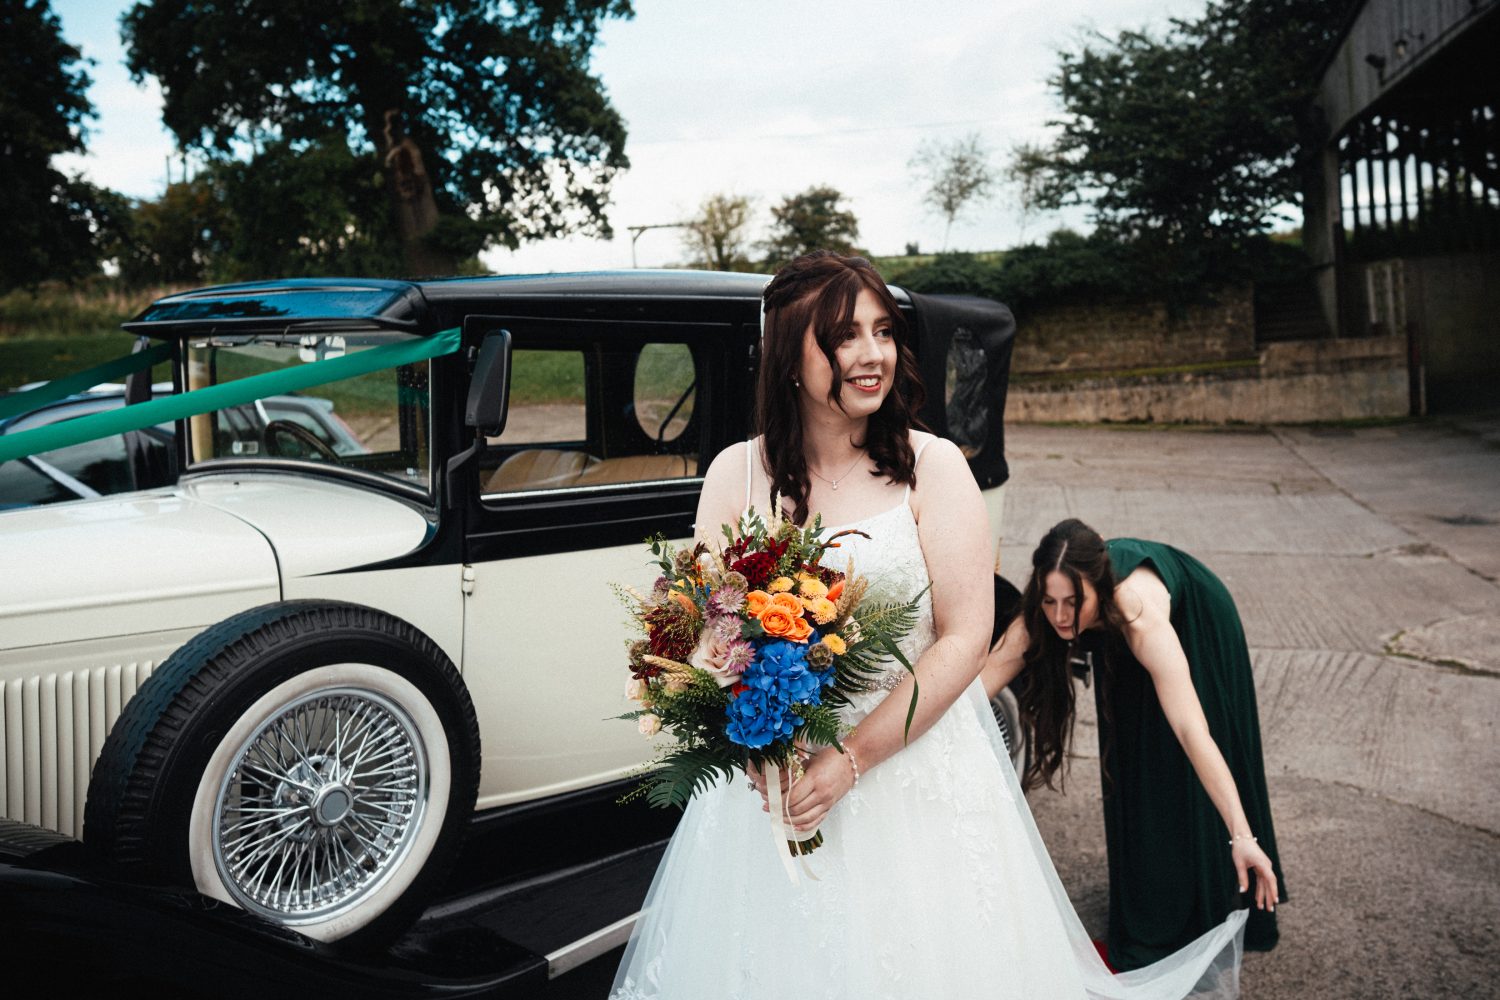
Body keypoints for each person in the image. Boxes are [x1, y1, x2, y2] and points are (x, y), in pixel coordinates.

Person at [611, 253, 1246, 1000]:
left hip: (909, 772)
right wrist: (758, 756)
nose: (873, 354)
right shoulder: (733, 476)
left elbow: (964, 636)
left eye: (884, 331)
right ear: (788, 355)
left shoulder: (934, 467)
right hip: (772, 792)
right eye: (844, 337)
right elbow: (708, 633)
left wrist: (849, 759)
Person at [981, 519, 1286, 973]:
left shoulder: (1139, 617)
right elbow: (981, 682)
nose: (1061, 617)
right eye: (1050, 601)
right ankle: (1150, 900)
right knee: (1137, 762)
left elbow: (1191, 731)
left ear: (1098, 591)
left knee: (1184, 748)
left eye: (1073, 602)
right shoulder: (1045, 610)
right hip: (1117, 622)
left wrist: (1242, 836)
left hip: (1196, 617)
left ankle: (1219, 884)